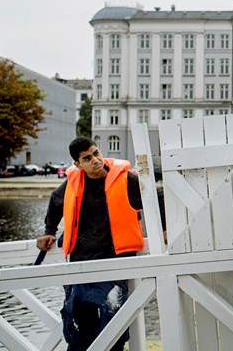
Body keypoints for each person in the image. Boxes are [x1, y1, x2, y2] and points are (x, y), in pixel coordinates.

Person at [37, 137, 146, 351]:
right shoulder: (73, 183)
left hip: (115, 262)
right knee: (77, 330)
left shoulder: (126, 180)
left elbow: (155, 197)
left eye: (96, 153)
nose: (95, 160)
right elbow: (55, 201)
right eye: (87, 158)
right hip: (80, 263)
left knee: (113, 331)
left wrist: (164, 229)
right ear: (77, 164)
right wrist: (49, 231)